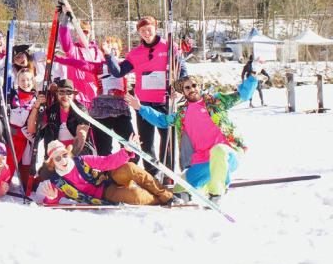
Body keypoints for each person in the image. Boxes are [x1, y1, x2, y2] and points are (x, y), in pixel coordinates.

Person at [126, 70, 260, 205]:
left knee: (218, 150)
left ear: (200, 87)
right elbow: (163, 120)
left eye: (194, 85)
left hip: (227, 155)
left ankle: (217, 193)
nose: (192, 89)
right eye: (187, 88)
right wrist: (141, 108)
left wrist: (253, 74)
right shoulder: (182, 114)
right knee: (179, 191)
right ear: (183, 92)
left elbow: (243, 95)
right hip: (202, 160)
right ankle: (203, 188)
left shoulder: (216, 102)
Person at [103, 16, 188, 174]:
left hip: (165, 101)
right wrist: (109, 55)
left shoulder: (170, 47)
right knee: (146, 142)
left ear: (156, 28)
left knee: (168, 138)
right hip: (143, 104)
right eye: (142, 30)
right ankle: (152, 174)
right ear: (139, 33)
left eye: (149, 29)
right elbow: (118, 72)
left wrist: (179, 88)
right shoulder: (135, 54)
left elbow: (182, 70)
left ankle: (168, 173)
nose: (146, 33)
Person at [39, 137, 175, 206]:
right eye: (57, 158)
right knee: (135, 195)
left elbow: (107, 162)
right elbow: (51, 200)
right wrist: (51, 197)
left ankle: (167, 195)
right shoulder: (57, 181)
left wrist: (126, 151)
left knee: (129, 167)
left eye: (64, 155)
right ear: (52, 163)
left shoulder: (82, 160)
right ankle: (159, 200)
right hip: (106, 194)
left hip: (110, 179)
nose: (63, 160)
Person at [55, 37, 133, 156]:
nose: (112, 52)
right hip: (102, 110)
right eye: (109, 49)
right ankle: (105, 171)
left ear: (120, 50)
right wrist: (57, 59)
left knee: (130, 145)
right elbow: (78, 63)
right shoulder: (99, 67)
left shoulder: (125, 66)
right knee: (103, 148)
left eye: (115, 49)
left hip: (121, 110)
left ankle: (128, 169)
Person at [58, 6, 104, 109]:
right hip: (79, 96)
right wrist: (66, 18)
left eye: (86, 32)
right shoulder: (73, 50)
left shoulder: (99, 52)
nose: (84, 34)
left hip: (96, 96)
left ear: (90, 33)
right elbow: (65, 40)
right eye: (81, 32)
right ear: (76, 34)